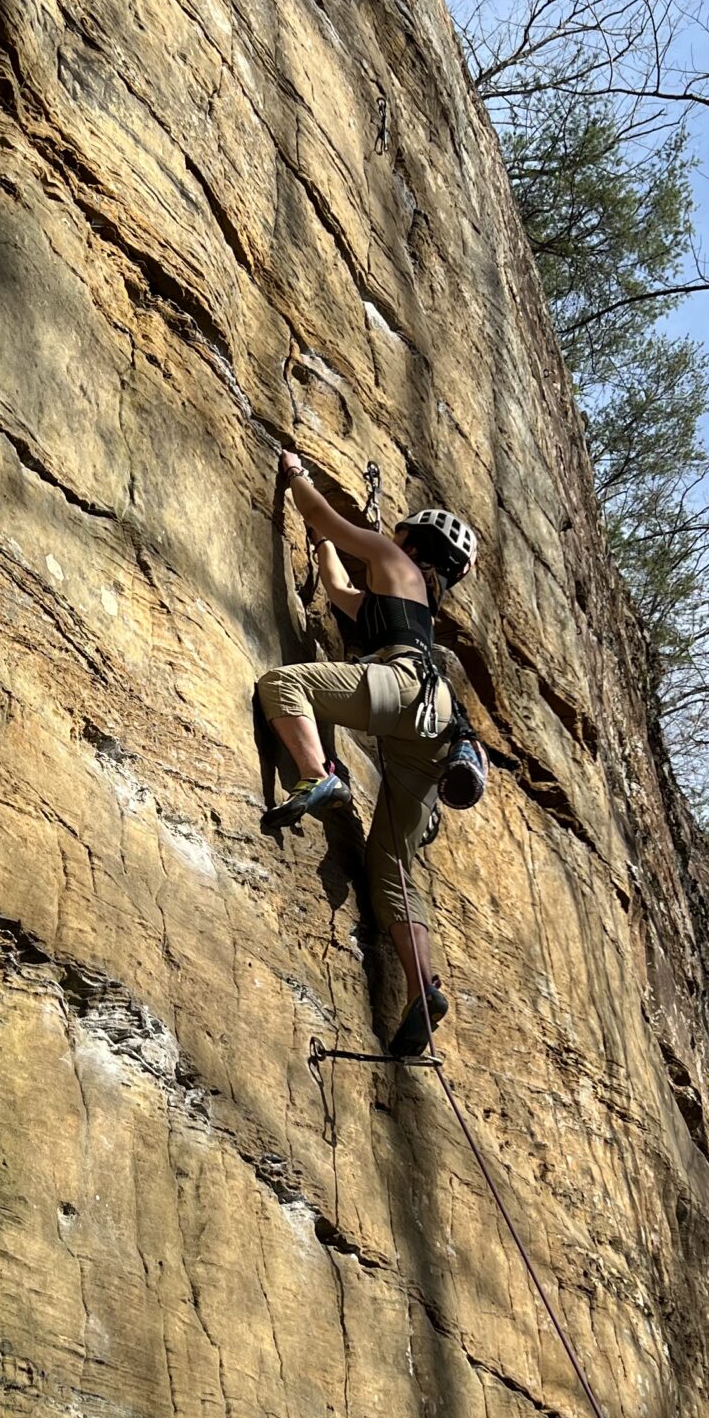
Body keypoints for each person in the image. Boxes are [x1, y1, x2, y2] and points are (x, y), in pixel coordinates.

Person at [257, 450, 478, 1059]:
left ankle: (316, 776)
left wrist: (296, 476)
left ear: (414, 538)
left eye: (402, 527)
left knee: (284, 686)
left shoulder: (391, 554)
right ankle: (421, 990)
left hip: (402, 690)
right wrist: (315, 543)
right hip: (435, 730)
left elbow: (328, 521)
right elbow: (336, 587)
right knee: (391, 867)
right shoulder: (410, 601)